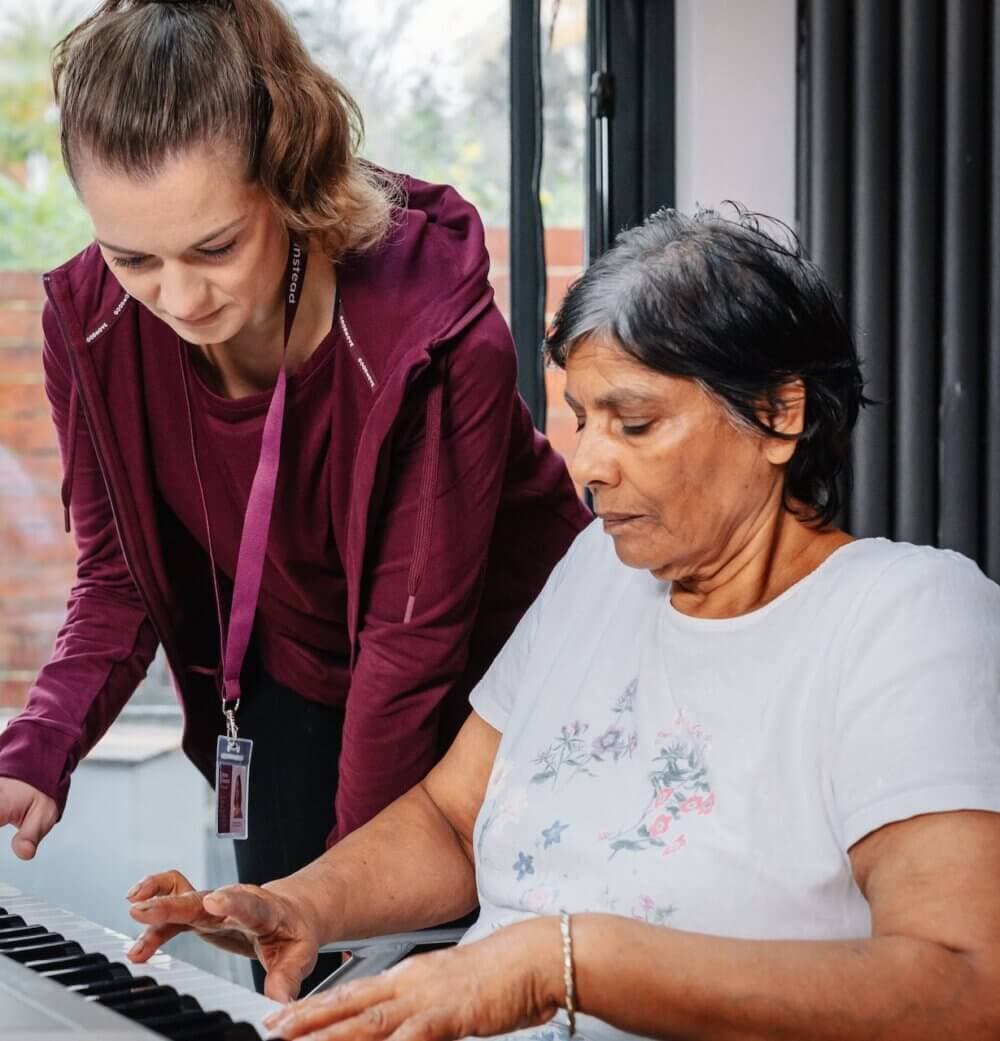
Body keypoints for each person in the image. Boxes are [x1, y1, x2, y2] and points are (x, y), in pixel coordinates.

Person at [128, 207, 1000, 1041]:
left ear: (778, 414)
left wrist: (560, 963)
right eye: (583, 420)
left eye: (636, 422)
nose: (588, 465)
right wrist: (304, 902)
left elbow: (965, 988)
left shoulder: (906, 618)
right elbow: (451, 819)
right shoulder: (597, 572)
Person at [0, 0, 589, 992]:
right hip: (296, 683)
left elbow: (412, 649)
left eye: (215, 247)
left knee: (425, 984)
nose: (178, 300)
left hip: (502, 691)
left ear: (290, 178)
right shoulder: (92, 324)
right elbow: (117, 575)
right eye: (132, 256)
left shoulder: (433, 331)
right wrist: (38, 746)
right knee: (288, 982)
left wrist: (339, 898)